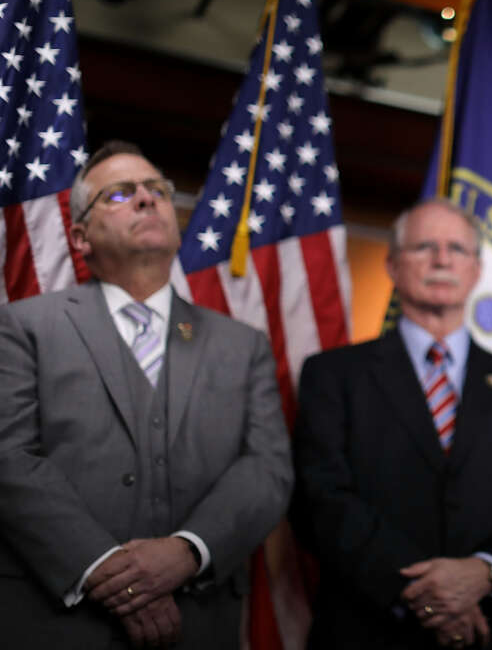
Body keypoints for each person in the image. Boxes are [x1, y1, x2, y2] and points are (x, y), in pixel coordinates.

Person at [0, 141, 293, 648]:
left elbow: (266, 469)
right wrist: (105, 569)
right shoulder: (24, 327)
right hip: (56, 622)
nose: (145, 199)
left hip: (199, 622)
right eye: (119, 194)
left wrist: (187, 551)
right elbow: (9, 457)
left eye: (156, 189)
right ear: (80, 236)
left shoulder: (242, 345)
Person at [292, 199, 492, 650]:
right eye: (424, 247)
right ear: (393, 265)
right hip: (368, 628)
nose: (442, 259)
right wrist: (432, 595)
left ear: (477, 269)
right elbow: (320, 499)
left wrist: (484, 575)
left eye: (456, 249)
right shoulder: (332, 375)